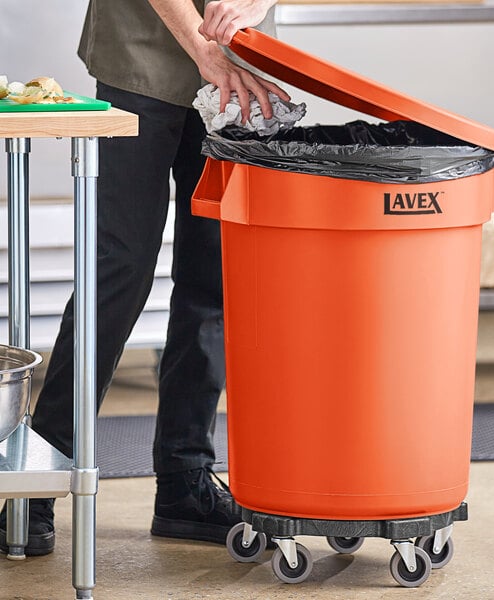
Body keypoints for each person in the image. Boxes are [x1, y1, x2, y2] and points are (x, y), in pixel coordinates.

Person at [0, 0, 287, 556]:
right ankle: (40, 481)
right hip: (142, 54)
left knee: (216, 271)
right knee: (119, 270)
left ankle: (186, 482)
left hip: (243, 63)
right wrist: (200, 44)